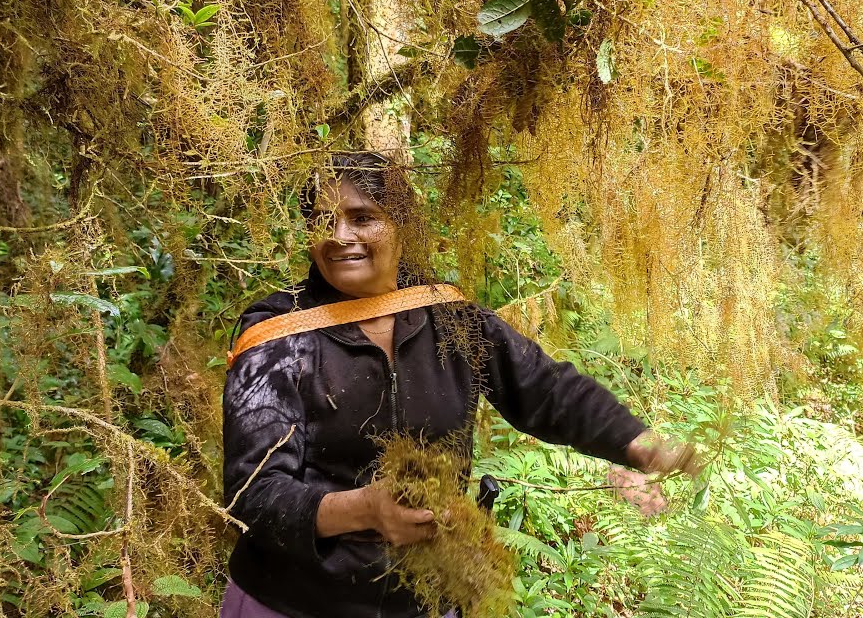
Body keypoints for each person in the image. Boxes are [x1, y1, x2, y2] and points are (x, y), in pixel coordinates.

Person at [221, 152, 699, 618]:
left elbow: (548, 389)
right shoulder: (279, 333)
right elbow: (254, 494)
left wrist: (639, 443)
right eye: (323, 220)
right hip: (295, 601)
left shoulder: (449, 317)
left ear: (401, 224)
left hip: (427, 597)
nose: (340, 236)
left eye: (361, 218)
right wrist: (366, 509)